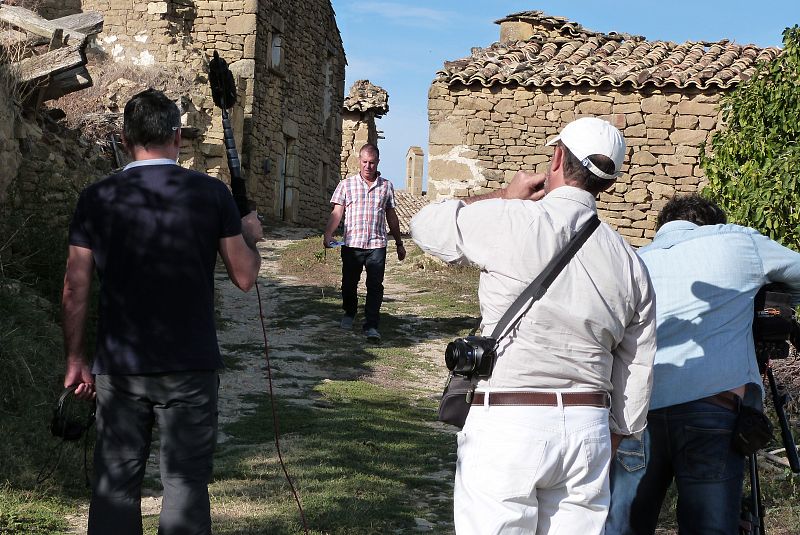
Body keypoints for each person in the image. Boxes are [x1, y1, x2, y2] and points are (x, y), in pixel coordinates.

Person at [410, 116, 657, 534]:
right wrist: (612, 436)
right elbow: (637, 366)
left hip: (509, 418)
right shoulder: (630, 262)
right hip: (587, 424)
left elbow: (426, 226)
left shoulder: (510, 219)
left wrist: (501, 196)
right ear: (608, 182)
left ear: (557, 157)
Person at [61, 88, 263, 535]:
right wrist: (249, 233)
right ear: (177, 136)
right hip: (189, 364)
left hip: (119, 366)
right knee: (186, 485)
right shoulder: (211, 194)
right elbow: (245, 277)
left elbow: (76, 285)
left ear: (125, 136)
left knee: (115, 487)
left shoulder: (97, 196)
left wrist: (76, 360)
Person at [606, 194, 800, 535]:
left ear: (662, 228)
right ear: (712, 223)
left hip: (635, 414)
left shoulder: (633, 261)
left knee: (623, 526)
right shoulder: (738, 241)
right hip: (712, 408)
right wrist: (773, 308)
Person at [323, 143, 406, 342]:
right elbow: (337, 212)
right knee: (349, 284)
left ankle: (371, 325)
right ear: (359, 161)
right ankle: (349, 312)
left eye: (372, 162)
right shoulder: (346, 185)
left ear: (378, 163)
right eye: (365, 162)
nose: (368, 166)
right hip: (352, 244)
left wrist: (399, 243)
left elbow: (391, 216)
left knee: (375, 286)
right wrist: (328, 234)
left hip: (377, 245)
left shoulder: (386, 186)